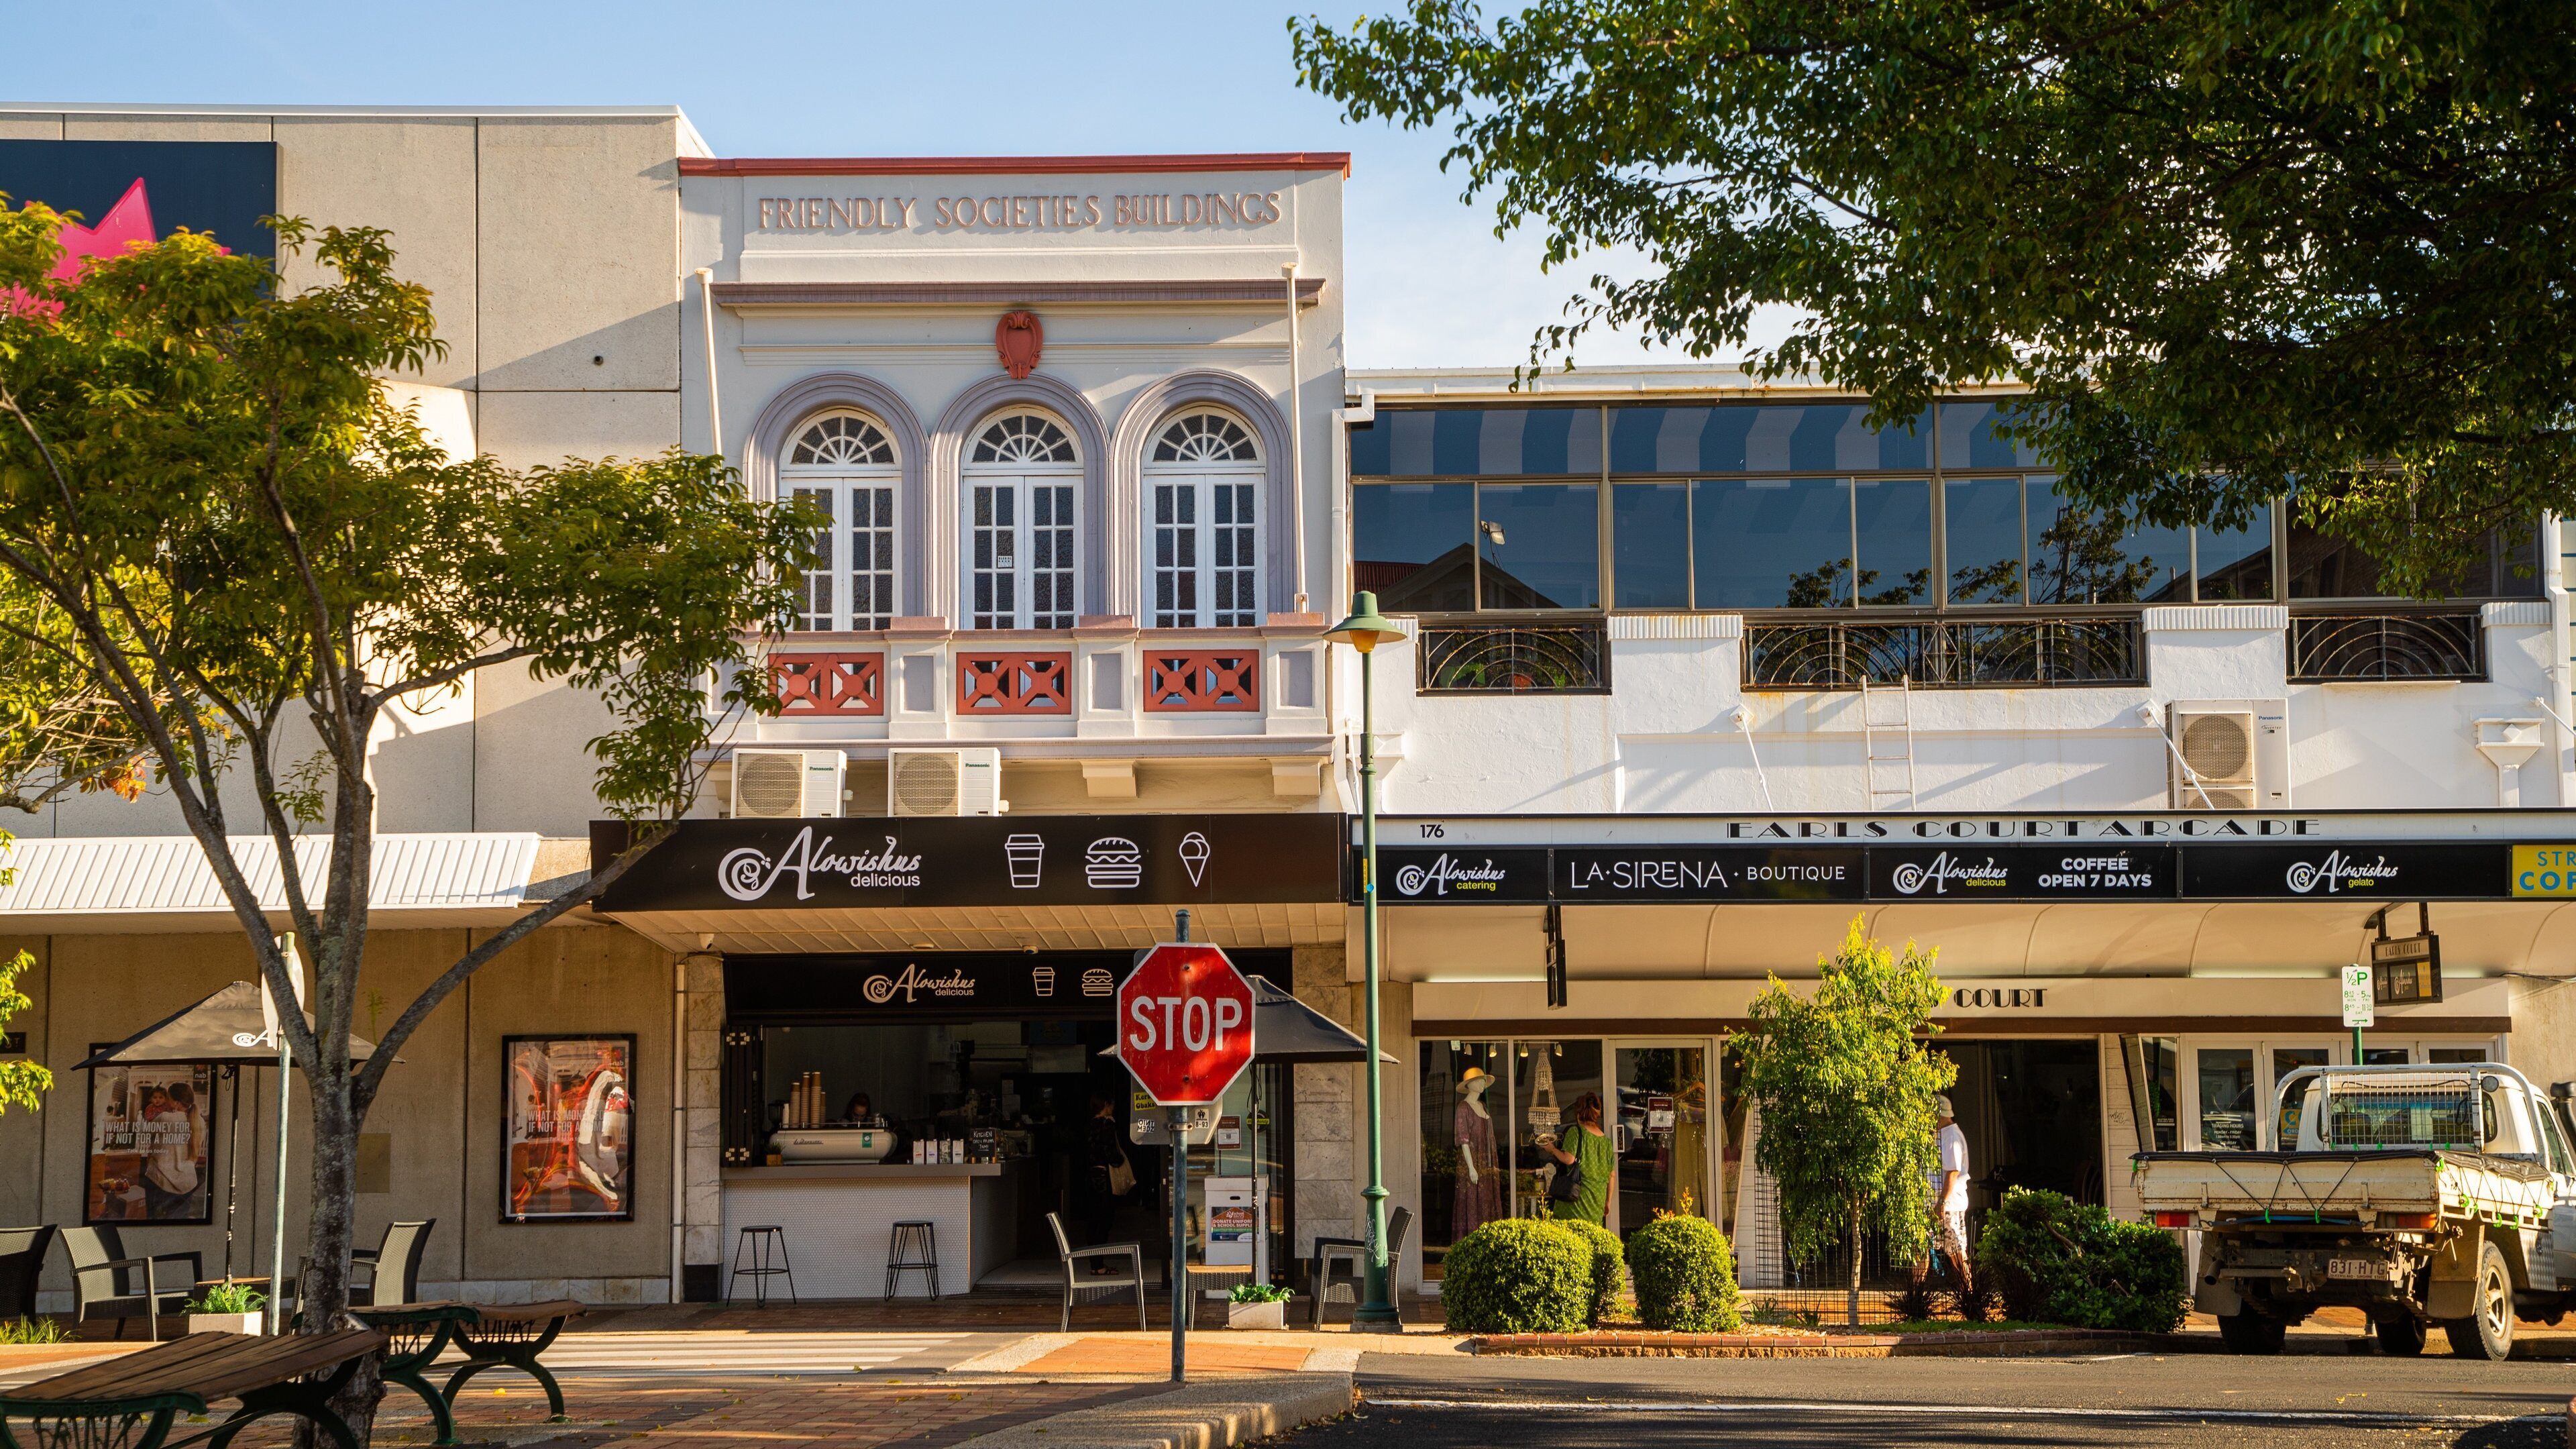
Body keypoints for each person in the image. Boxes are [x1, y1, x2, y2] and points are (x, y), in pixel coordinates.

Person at [1536, 1091, 1613, 1227]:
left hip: (1576, 1202)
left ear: (1578, 1114)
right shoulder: (1606, 1142)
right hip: (1597, 1204)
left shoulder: (1576, 1132)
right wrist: (1608, 1202)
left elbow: (1569, 1159)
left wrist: (1552, 1150)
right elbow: (1612, 1176)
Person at [1079, 1093, 1132, 1269]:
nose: (1113, 1108)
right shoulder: (1107, 1124)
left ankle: (1095, 1262)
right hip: (1104, 1178)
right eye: (1112, 1105)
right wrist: (1121, 1160)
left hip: (1089, 1177)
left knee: (1093, 1220)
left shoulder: (1087, 1125)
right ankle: (1098, 1264)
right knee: (1105, 1219)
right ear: (1106, 1105)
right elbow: (1113, 1155)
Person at [1927, 1093, 1973, 1291]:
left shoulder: (1951, 1136)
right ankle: (1915, 1298)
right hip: (1936, 1204)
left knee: (1956, 1251)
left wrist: (1942, 1202)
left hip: (1949, 1205)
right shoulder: (1941, 1134)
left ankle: (1970, 1294)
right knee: (1921, 1251)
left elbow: (1953, 1172)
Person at [140, 1080, 203, 1221]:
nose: (165, 1102)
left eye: (167, 1098)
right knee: (178, 1225)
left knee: (154, 1224)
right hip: (187, 1182)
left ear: (176, 1103)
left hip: (160, 1180)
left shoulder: (165, 1118)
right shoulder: (199, 1121)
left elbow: (146, 1134)